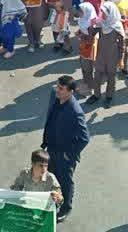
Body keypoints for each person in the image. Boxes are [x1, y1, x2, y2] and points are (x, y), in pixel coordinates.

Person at [41, 75, 88, 223]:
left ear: (70, 92)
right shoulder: (54, 96)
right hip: (52, 147)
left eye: (61, 88)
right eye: (57, 86)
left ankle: (66, 207)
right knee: (52, 175)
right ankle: (54, 199)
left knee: (65, 181)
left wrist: (70, 154)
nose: (57, 90)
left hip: (64, 154)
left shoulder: (75, 111)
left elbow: (84, 138)